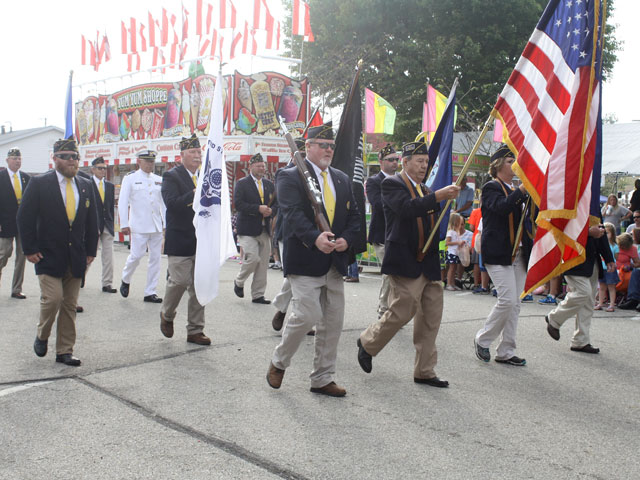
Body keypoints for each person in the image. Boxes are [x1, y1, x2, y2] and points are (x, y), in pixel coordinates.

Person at [356, 140, 460, 388]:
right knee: (402, 310)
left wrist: (436, 198)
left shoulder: (425, 189)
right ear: (405, 162)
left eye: (426, 162)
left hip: (429, 262)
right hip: (405, 260)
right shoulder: (391, 184)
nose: (424, 165)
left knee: (431, 318)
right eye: (419, 161)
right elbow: (405, 209)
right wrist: (438, 196)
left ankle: (425, 370)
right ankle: (367, 342)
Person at [266, 122, 360, 397]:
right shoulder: (289, 175)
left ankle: (322, 378)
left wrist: (346, 240)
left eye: (331, 146)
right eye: (323, 145)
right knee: (307, 315)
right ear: (307, 146)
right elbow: (292, 212)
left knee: (332, 323)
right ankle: (279, 361)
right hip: (306, 257)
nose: (329, 150)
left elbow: (353, 215)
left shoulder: (341, 178)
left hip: (334, 260)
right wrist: (313, 237)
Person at [17, 138, 98, 366]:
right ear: (55, 159)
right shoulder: (40, 183)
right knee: (53, 299)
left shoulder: (85, 184)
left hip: (76, 256)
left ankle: (64, 350)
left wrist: (91, 250)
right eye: (66, 157)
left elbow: (93, 222)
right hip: (47, 254)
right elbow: (24, 217)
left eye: (75, 157)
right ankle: (42, 335)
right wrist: (30, 249)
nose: (72, 161)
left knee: (69, 305)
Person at [474, 145, 531, 367]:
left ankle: (506, 350)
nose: (514, 165)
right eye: (510, 161)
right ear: (497, 165)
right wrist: (522, 191)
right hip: (498, 253)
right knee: (507, 300)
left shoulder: (515, 189)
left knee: (515, 304)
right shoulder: (491, 187)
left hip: (518, 253)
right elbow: (501, 208)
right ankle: (483, 339)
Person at [159, 135, 211, 345]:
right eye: (193, 152)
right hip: (180, 238)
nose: (198, 156)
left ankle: (195, 330)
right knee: (179, 281)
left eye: (199, 152)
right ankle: (167, 314)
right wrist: (194, 194)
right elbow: (172, 204)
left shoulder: (205, 175)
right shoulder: (172, 176)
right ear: (182, 155)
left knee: (200, 286)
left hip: (202, 240)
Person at [545, 223, 615, 354]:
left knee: (588, 301)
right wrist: (588, 232)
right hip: (573, 258)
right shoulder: (570, 203)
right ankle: (554, 318)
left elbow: (601, 233)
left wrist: (609, 258)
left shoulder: (592, 204)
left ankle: (580, 341)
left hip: (592, 260)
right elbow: (562, 228)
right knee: (583, 293)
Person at [118, 150, 165, 303]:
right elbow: (123, 202)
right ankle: (126, 278)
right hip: (139, 225)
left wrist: (166, 223)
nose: (150, 164)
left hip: (156, 225)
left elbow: (163, 204)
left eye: (152, 161)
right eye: (147, 161)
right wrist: (124, 223)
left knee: (155, 259)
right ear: (139, 161)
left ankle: (150, 292)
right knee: (136, 256)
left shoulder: (159, 179)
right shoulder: (130, 179)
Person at [233, 153, 276, 304]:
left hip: (264, 229)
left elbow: (276, 203)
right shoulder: (242, 183)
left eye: (263, 166)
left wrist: (272, 211)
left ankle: (258, 294)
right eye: (258, 166)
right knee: (252, 257)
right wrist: (258, 208)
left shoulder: (269, 184)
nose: (261, 168)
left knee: (263, 264)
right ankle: (239, 281)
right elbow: (238, 204)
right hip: (247, 228)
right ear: (250, 167)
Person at [365, 144, 399, 317]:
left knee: (396, 273)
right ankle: (384, 307)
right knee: (389, 270)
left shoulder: (401, 180)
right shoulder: (373, 181)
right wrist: (398, 202)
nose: (394, 163)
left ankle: (392, 307)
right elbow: (377, 203)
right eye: (390, 160)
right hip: (382, 234)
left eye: (396, 159)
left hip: (399, 234)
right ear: (381, 161)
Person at [0, 147, 30, 299]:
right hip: (5, 223)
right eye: (14, 159)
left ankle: (16, 288)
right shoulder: (1, 177)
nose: (17, 161)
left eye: (19, 159)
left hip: (22, 223)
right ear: (7, 160)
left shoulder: (26, 178)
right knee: (4, 254)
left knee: (22, 255)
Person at [89, 157, 116, 293]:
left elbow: (110, 207)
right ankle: (79, 278)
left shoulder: (109, 186)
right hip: (92, 226)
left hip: (107, 224)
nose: (103, 171)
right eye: (100, 168)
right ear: (92, 169)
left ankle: (107, 283)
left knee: (108, 256)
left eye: (104, 168)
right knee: (89, 255)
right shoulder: (87, 184)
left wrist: (112, 223)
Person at [595, 223, 619, 312]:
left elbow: (616, 258)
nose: (605, 235)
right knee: (601, 287)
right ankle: (600, 303)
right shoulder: (599, 245)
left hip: (610, 269)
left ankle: (612, 304)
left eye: (607, 233)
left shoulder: (614, 246)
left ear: (612, 234)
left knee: (611, 287)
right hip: (602, 268)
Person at [445, 212, 465, 291]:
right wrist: (457, 243)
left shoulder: (456, 232)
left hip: (456, 252)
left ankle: (452, 283)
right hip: (451, 252)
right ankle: (449, 283)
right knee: (452, 268)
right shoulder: (450, 232)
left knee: (454, 268)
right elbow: (447, 243)